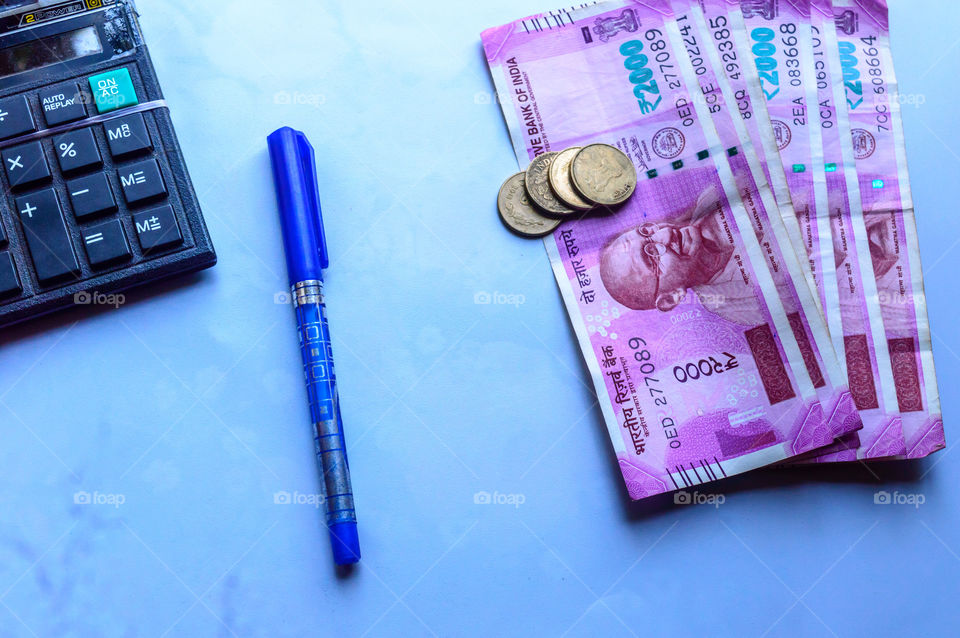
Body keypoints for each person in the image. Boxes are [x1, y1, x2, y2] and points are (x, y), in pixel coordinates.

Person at [598, 186, 769, 326]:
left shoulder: (709, 199)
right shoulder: (740, 305)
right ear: (670, 297)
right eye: (653, 257)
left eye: (646, 231)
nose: (666, 233)